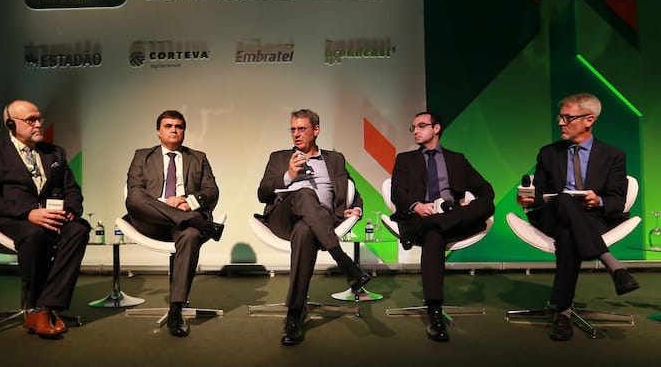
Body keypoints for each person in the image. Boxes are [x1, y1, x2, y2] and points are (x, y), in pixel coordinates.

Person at [516, 93, 639, 341]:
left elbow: (617, 200)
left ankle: (563, 312)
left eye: (567, 118)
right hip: (552, 215)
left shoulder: (613, 155)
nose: (561, 122)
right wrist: (528, 198)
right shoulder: (548, 153)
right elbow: (540, 193)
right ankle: (612, 264)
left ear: (589, 120)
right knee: (564, 199)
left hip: (591, 218)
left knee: (567, 234)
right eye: (560, 117)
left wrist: (598, 200)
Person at [0, 100, 90, 338]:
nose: (38, 124)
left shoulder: (55, 152)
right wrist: (28, 213)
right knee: (35, 233)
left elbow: (72, 189)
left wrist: (70, 209)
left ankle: (43, 307)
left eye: (39, 119)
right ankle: (39, 308)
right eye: (31, 120)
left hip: (48, 216)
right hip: (9, 218)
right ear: (10, 124)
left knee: (79, 230)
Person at [257, 109, 371, 346]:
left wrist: (357, 209)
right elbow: (262, 194)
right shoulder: (279, 157)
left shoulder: (335, 159)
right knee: (305, 193)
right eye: (293, 130)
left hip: (320, 222)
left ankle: (294, 316)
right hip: (283, 217)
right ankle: (344, 262)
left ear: (316, 130)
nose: (296, 134)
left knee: (305, 231)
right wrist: (288, 175)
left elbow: (352, 190)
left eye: (302, 129)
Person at [391, 111, 495, 342]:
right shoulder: (406, 159)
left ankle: (432, 223)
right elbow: (397, 193)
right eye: (414, 127)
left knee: (487, 206)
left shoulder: (456, 159)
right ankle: (435, 312)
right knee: (434, 235)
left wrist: (471, 205)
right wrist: (417, 206)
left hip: (451, 216)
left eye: (421, 126)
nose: (416, 131)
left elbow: (485, 189)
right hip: (423, 216)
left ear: (436, 128)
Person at [124, 110, 223, 337]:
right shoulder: (142, 156)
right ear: (158, 132)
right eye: (168, 126)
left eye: (179, 126)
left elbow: (212, 191)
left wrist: (188, 201)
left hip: (183, 223)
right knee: (135, 197)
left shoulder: (198, 158)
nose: (174, 130)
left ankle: (176, 310)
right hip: (151, 221)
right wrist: (168, 206)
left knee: (191, 235)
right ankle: (202, 224)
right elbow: (135, 191)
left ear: (184, 131)